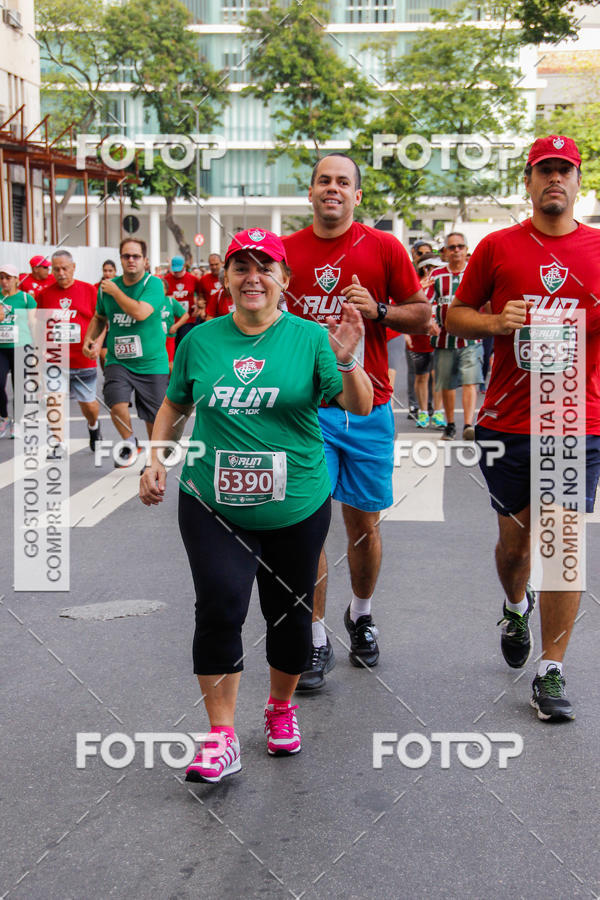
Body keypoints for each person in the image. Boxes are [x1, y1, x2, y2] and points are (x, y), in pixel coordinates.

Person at [139, 228, 373, 783]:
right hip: (211, 501)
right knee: (220, 605)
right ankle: (221, 737)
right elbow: (174, 404)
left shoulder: (311, 338)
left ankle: (279, 708)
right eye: (241, 266)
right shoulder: (200, 340)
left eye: (264, 267)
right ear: (225, 278)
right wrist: (156, 458)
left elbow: (359, 406)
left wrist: (347, 357)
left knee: (288, 614)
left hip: (296, 502)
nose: (253, 277)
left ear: (284, 280)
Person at [446, 134, 600, 722]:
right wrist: (493, 321)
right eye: (544, 170)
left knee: (562, 542)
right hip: (507, 419)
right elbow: (454, 318)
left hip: (574, 418)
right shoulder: (499, 247)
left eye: (565, 170)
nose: (554, 179)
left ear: (577, 182)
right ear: (528, 181)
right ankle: (515, 604)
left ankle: (552, 668)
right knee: (516, 546)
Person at [283, 153, 429, 690]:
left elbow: (424, 315)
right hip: (307, 408)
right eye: (324, 180)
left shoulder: (384, 247)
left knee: (363, 525)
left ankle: (360, 615)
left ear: (357, 195)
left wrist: (380, 312)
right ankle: (315, 634)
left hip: (370, 406)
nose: (333, 189)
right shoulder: (287, 252)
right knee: (310, 524)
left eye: (344, 182)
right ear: (311, 191)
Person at [82, 238, 169, 467]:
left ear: (145, 260)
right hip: (119, 360)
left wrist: (116, 291)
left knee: (153, 416)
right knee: (116, 402)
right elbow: (100, 317)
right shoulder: (106, 290)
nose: (131, 260)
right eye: (126, 256)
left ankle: (153, 462)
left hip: (152, 363)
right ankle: (130, 442)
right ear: (121, 258)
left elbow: (140, 313)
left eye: (136, 256)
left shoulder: (154, 284)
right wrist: (90, 339)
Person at [37, 250, 103, 453]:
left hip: (83, 360)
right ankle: (58, 443)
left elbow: (101, 320)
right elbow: (40, 326)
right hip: (55, 359)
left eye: (65, 268)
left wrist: (97, 344)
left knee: (89, 406)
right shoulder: (44, 294)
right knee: (54, 400)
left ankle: (93, 426)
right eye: (56, 269)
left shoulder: (89, 290)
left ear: (73, 267)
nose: (61, 273)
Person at [431, 232, 481, 441]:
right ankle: (450, 424)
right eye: (452, 247)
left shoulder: (475, 273)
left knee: (471, 381)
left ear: (466, 249)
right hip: (444, 339)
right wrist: (430, 321)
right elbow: (427, 301)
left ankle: (469, 424)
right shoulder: (436, 275)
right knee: (447, 383)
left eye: (461, 246)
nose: (457, 251)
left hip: (471, 338)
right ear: (445, 252)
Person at [406, 253, 445, 428]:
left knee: (438, 376)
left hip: (440, 337)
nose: (438, 270)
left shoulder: (444, 284)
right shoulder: (414, 286)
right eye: (434, 267)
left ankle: (438, 412)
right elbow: (403, 307)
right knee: (421, 376)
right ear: (425, 268)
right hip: (419, 338)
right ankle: (422, 413)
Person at [0, 264, 36, 438]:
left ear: (16, 279)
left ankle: (18, 422)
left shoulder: (26, 298)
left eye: (8, 278)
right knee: (0, 383)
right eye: (1, 278)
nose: (4, 281)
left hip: (21, 345)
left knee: (19, 386)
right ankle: (3, 417)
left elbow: (34, 323)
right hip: (1, 348)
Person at [163, 256, 199, 346]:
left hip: (188, 319)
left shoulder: (193, 279)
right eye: (175, 270)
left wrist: (198, 306)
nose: (177, 273)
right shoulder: (166, 279)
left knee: (185, 344)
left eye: (179, 270)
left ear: (184, 266)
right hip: (171, 320)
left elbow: (201, 294)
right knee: (172, 347)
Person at [200, 253, 224, 318]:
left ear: (222, 263)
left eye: (216, 264)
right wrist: (201, 307)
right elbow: (201, 297)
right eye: (211, 265)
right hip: (209, 316)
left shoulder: (228, 278)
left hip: (225, 315)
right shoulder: (203, 279)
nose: (214, 267)